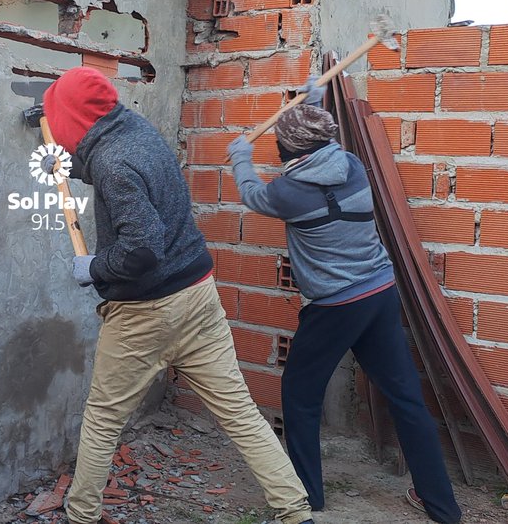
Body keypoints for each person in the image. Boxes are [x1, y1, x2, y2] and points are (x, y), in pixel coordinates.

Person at [42, 66, 314, 524]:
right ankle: (295, 510)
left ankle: (81, 515)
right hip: (199, 295)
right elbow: (130, 183)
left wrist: (95, 267)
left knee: (104, 418)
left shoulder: (113, 163)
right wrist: (72, 161)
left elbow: (141, 248)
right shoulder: (137, 131)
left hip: (146, 311)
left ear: (72, 119)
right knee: (240, 413)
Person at [226, 75, 462, 524]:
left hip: (334, 306)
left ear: (290, 152)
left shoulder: (287, 193)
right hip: (378, 291)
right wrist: (311, 106)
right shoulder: (351, 165)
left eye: (280, 144)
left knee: (300, 396)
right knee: (406, 397)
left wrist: (241, 157)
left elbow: (252, 193)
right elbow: (318, 149)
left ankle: (304, 500)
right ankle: (443, 508)